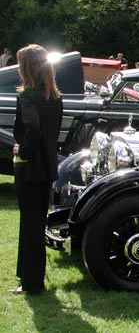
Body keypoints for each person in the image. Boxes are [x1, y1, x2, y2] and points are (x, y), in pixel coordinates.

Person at [10, 44, 63, 294]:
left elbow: (31, 129)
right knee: (36, 222)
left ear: (26, 68)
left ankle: (31, 283)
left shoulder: (27, 98)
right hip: (47, 169)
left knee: (30, 224)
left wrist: (21, 150)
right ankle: (29, 276)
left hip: (29, 168)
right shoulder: (55, 98)